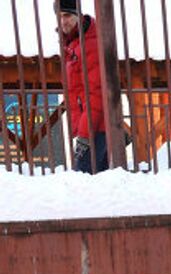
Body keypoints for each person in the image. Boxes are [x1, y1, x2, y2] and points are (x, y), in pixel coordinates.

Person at [55, 0, 107, 174]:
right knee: (97, 185)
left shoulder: (89, 44)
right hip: (91, 127)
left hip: (95, 129)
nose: (63, 21)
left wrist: (84, 134)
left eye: (67, 15)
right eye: (60, 16)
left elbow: (96, 93)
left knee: (82, 181)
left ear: (78, 16)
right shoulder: (73, 43)